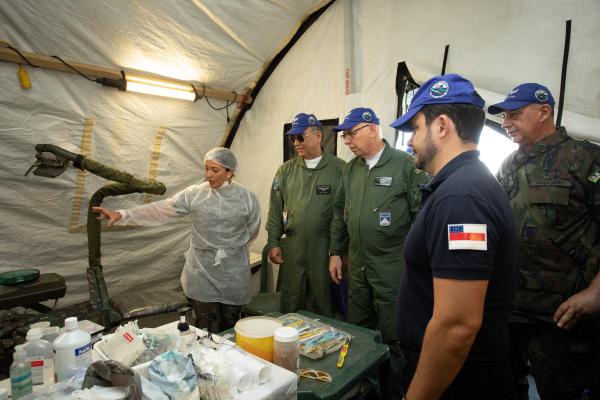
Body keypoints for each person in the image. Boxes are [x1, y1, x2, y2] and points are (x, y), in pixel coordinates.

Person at [392, 74, 518, 399]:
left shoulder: (462, 198)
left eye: (416, 129)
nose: (409, 142)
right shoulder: (462, 185)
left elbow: (457, 326)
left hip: (458, 383)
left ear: (442, 126)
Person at [491, 83, 600, 399]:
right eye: (504, 117)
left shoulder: (584, 158)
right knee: (506, 386)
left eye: (515, 114)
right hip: (511, 310)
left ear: (544, 111)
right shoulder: (508, 165)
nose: (506, 123)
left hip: (561, 318)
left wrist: (596, 292)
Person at [93, 147, 261, 333]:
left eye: (215, 170)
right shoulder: (195, 194)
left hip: (234, 272)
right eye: (206, 168)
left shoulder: (247, 198)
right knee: (205, 328)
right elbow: (161, 210)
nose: (208, 175)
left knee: (230, 327)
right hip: (202, 273)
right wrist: (123, 214)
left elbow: (252, 230)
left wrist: (231, 249)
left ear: (230, 172)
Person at [328, 107, 427, 399]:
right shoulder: (350, 169)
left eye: (350, 133)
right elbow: (338, 212)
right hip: (357, 267)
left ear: (373, 129)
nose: (346, 141)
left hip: (393, 269)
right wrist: (336, 252)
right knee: (359, 333)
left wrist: (418, 270)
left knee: (396, 338)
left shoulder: (406, 165)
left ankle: (397, 392)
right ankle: (366, 390)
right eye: (344, 135)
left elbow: (421, 218)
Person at [266, 113, 345, 316]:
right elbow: (275, 208)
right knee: (291, 299)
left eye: (300, 137)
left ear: (318, 136)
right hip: (293, 247)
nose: (296, 143)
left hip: (324, 248)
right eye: (292, 138)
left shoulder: (339, 169)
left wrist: (338, 251)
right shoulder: (285, 171)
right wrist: (274, 241)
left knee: (324, 301)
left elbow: (344, 214)